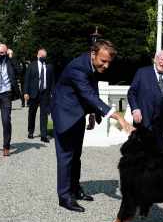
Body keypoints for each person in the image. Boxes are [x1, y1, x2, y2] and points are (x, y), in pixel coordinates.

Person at [51, 39, 134, 212]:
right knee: (66, 157)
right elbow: (88, 95)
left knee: (76, 156)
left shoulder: (90, 65)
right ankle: (64, 197)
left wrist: (92, 113)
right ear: (93, 53)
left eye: (109, 62)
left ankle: (75, 189)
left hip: (77, 113)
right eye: (103, 61)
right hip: (65, 115)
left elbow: (90, 90)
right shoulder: (77, 67)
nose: (106, 66)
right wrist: (118, 117)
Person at [127, 50, 163, 152]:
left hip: (161, 128)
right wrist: (135, 109)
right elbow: (131, 93)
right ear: (155, 59)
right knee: (140, 155)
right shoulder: (142, 72)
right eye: (162, 59)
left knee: (158, 158)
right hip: (143, 123)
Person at [24, 48, 54, 142]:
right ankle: (31, 131)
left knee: (44, 114)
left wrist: (52, 93)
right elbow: (27, 79)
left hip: (45, 93)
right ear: (37, 55)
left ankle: (43, 135)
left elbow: (52, 81)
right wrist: (25, 92)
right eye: (41, 56)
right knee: (32, 113)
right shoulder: (32, 66)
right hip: (33, 93)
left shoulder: (49, 66)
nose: (43, 58)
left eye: (44, 56)